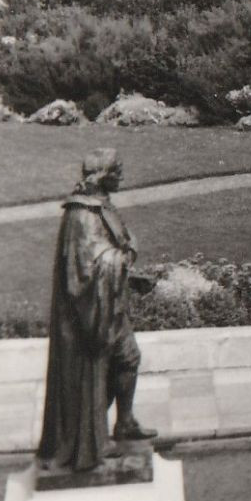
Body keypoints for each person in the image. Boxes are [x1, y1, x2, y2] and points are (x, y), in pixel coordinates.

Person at [37, 149, 157, 476]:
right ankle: (93, 438)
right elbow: (87, 271)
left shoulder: (101, 205)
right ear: (102, 173)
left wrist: (128, 275)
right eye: (117, 170)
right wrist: (126, 260)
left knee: (129, 358)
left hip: (109, 307)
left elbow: (106, 257)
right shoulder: (82, 215)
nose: (122, 175)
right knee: (99, 370)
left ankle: (125, 422)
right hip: (90, 316)